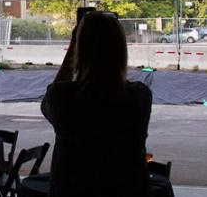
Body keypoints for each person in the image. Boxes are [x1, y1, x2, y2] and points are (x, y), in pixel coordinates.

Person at [41, 11, 152, 197]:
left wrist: (72, 48)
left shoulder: (62, 97)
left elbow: (50, 101)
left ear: (80, 49)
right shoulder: (139, 96)